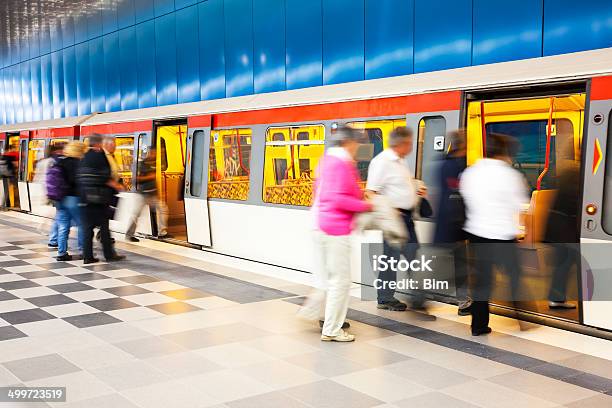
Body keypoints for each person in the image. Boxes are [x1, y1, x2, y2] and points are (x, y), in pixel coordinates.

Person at [300, 126, 372, 342]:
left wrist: (360, 195)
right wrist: (368, 206)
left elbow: (324, 193)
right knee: (340, 281)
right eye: (357, 143)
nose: (358, 147)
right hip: (335, 229)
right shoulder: (342, 164)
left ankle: (317, 315)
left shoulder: (327, 161)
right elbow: (337, 199)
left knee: (330, 279)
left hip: (321, 225)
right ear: (348, 143)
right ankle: (332, 329)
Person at [460, 133, 530, 336]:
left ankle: (478, 326)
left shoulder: (471, 172)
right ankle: (524, 319)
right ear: (504, 153)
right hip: (502, 235)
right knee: (515, 276)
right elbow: (519, 205)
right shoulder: (509, 175)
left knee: (482, 282)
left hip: (477, 234)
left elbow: (466, 198)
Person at [366, 126, 428, 312]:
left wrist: (415, 190)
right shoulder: (382, 162)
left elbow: (398, 187)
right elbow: (370, 193)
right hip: (393, 219)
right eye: (410, 142)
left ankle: (418, 296)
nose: (411, 146)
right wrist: (389, 212)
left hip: (407, 218)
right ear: (403, 143)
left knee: (413, 254)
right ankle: (385, 298)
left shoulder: (401, 161)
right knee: (391, 258)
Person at [433, 130, 471, 316]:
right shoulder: (456, 167)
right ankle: (463, 302)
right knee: (457, 266)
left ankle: (463, 301)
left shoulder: (443, 164)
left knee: (452, 265)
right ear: (462, 146)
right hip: (454, 225)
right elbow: (457, 195)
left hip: (446, 224)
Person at [77, 134, 125, 264]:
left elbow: (80, 177)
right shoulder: (99, 156)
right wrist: (116, 185)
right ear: (99, 143)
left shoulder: (84, 157)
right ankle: (109, 255)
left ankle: (88, 256)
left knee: (87, 229)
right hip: (98, 199)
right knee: (104, 227)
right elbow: (104, 177)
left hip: (85, 198)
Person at [544, 157, 580, 309]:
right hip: (566, 229)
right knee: (567, 263)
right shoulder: (576, 173)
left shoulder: (569, 171)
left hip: (559, 226)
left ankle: (557, 298)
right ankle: (557, 299)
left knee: (564, 264)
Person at [125, 146, 169, 242]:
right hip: (142, 195)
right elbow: (135, 179)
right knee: (136, 214)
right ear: (148, 153)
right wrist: (149, 177)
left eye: (155, 153)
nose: (154, 155)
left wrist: (158, 193)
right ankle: (129, 234)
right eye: (152, 153)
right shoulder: (140, 164)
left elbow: (154, 180)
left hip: (152, 194)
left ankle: (162, 232)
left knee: (163, 209)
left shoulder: (154, 165)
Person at [53, 141, 86, 261]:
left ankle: (61, 253)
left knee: (63, 226)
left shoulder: (60, 161)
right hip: (73, 198)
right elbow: (76, 181)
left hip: (60, 199)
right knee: (82, 224)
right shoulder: (78, 163)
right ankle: (84, 250)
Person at [33, 143, 63, 247]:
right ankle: (44, 227)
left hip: (45, 187)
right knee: (54, 211)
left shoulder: (42, 161)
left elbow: (37, 175)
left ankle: (47, 229)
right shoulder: (52, 161)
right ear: (55, 151)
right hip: (50, 188)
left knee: (54, 211)